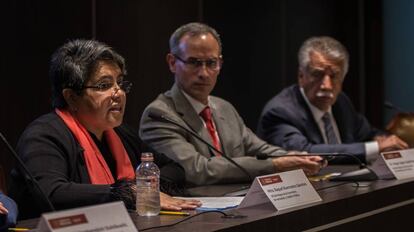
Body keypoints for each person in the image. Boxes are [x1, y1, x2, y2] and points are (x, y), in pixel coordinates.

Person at [9, 39, 200, 219]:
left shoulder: (121, 134)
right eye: (104, 85)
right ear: (71, 97)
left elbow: (173, 169)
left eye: (120, 82)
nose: (118, 93)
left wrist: (145, 189)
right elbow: (52, 192)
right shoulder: (43, 135)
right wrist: (128, 193)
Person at [139, 22, 324, 186]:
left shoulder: (223, 107)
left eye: (211, 63)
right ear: (172, 63)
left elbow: (259, 149)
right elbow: (197, 170)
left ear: (219, 64)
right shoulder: (159, 115)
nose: (204, 73)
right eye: (194, 62)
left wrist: (296, 158)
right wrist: (275, 165)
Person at [257, 36, 408, 164]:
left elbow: (367, 133)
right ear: (301, 76)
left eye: (334, 76)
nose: (327, 86)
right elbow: (305, 152)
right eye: (318, 74)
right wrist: (374, 148)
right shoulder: (280, 111)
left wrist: (387, 142)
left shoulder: (341, 102)